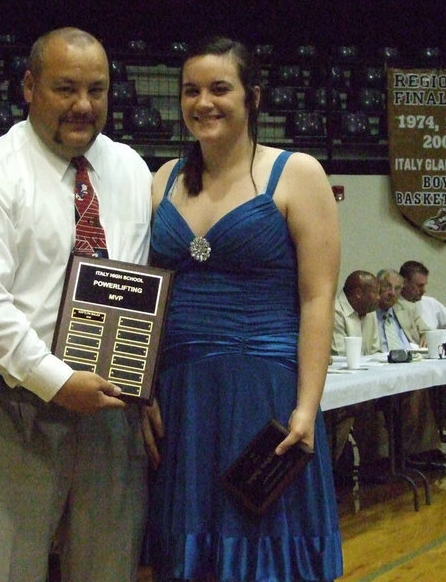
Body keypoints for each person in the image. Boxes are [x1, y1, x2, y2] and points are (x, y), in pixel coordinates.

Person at [0, 27, 152, 581]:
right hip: (11, 406)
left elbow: (140, 282)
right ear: (29, 87)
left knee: (109, 569)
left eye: (97, 90)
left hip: (110, 406)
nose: (83, 106)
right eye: (65, 88)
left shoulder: (128, 168)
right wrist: (56, 380)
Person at [144, 37, 342, 581]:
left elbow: (317, 297)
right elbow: (144, 302)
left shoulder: (298, 173)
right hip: (181, 398)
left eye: (219, 88)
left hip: (265, 395)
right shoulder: (161, 181)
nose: (203, 102)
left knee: (264, 547)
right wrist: (143, 395)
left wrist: (307, 406)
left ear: (252, 97)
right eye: (191, 91)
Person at [376, 268, 446, 471]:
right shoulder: (368, 312)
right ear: (377, 287)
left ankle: (425, 442)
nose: (392, 293)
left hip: (411, 363)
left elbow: (426, 329)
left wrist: (427, 335)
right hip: (382, 368)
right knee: (417, 390)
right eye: (387, 287)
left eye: (397, 288)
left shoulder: (406, 309)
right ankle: (418, 450)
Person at [398, 260, 446, 440]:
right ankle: (425, 440)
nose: (423, 290)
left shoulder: (430, 304)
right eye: (419, 285)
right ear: (404, 282)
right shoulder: (395, 306)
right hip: (409, 366)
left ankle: (435, 431)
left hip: (432, 361)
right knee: (420, 392)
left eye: (425, 285)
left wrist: (441, 340)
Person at [328, 271, 382, 479]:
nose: (379, 297)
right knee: (356, 406)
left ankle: (380, 462)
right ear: (358, 294)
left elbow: (375, 351)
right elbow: (341, 356)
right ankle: (336, 466)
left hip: (363, 380)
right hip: (338, 385)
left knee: (383, 400)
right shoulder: (334, 311)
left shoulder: (369, 312)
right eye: (375, 292)